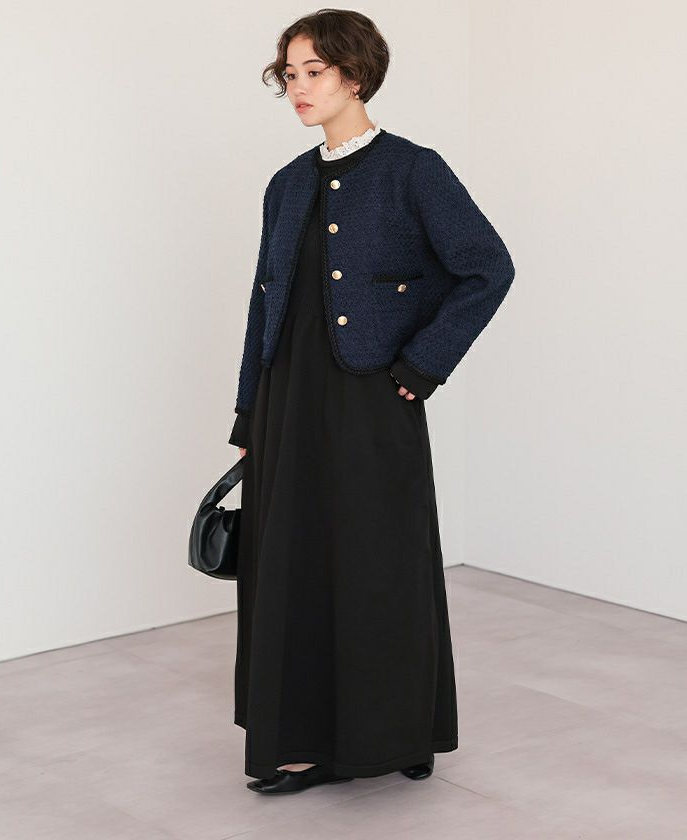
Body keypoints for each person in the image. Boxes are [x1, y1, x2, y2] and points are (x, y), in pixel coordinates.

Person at [228, 9, 515, 795]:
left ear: (355, 75)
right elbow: (264, 304)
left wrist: (424, 363)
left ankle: (401, 732)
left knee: (379, 563)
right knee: (293, 566)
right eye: (289, 74)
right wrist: (249, 413)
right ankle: (302, 742)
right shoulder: (286, 184)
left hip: (372, 396)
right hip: (289, 401)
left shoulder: (414, 171)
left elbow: (487, 268)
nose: (298, 87)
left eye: (313, 71)